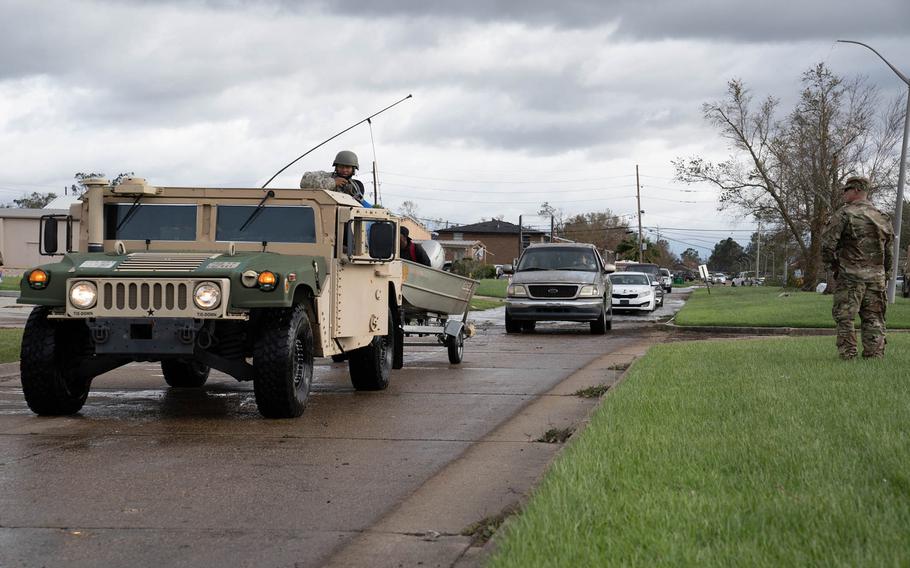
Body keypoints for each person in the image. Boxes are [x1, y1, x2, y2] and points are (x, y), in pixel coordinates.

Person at [821, 176, 894, 360]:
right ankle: (874, 355)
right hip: (876, 278)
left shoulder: (846, 214)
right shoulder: (882, 217)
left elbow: (827, 245)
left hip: (850, 277)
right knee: (874, 318)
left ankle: (848, 355)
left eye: (846, 190)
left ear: (856, 190)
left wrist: (835, 266)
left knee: (845, 317)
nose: (844, 194)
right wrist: (885, 273)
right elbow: (889, 252)